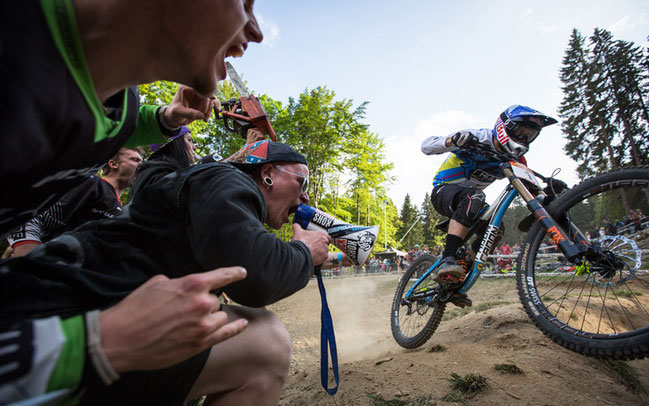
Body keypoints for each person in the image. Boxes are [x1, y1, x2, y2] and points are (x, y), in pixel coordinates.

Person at [0, 0, 263, 403]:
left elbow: (104, 120)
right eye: (246, 3)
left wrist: (164, 119)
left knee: (263, 341)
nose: (256, 30)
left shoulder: (123, 108)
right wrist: (100, 342)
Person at [0, 141, 351, 405]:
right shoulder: (227, 181)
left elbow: (152, 171)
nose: (305, 198)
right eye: (301, 181)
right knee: (266, 340)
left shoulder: (199, 180)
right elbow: (253, 276)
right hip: (64, 325)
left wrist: (173, 139)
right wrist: (305, 252)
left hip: (48, 308)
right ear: (268, 174)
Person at [422, 105, 557, 306]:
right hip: (444, 191)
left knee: (496, 230)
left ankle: (456, 280)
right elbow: (426, 146)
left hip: (471, 203)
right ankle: (447, 259)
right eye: (521, 132)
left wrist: (549, 190)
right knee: (474, 197)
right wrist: (454, 140)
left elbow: (529, 187)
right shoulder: (478, 137)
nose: (524, 139)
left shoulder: (518, 159)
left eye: (530, 135)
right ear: (506, 126)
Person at [7, 148, 143, 257]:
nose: (141, 166)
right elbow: (34, 218)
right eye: (135, 160)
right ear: (113, 164)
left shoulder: (120, 208)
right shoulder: (93, 184)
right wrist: (29, 257)